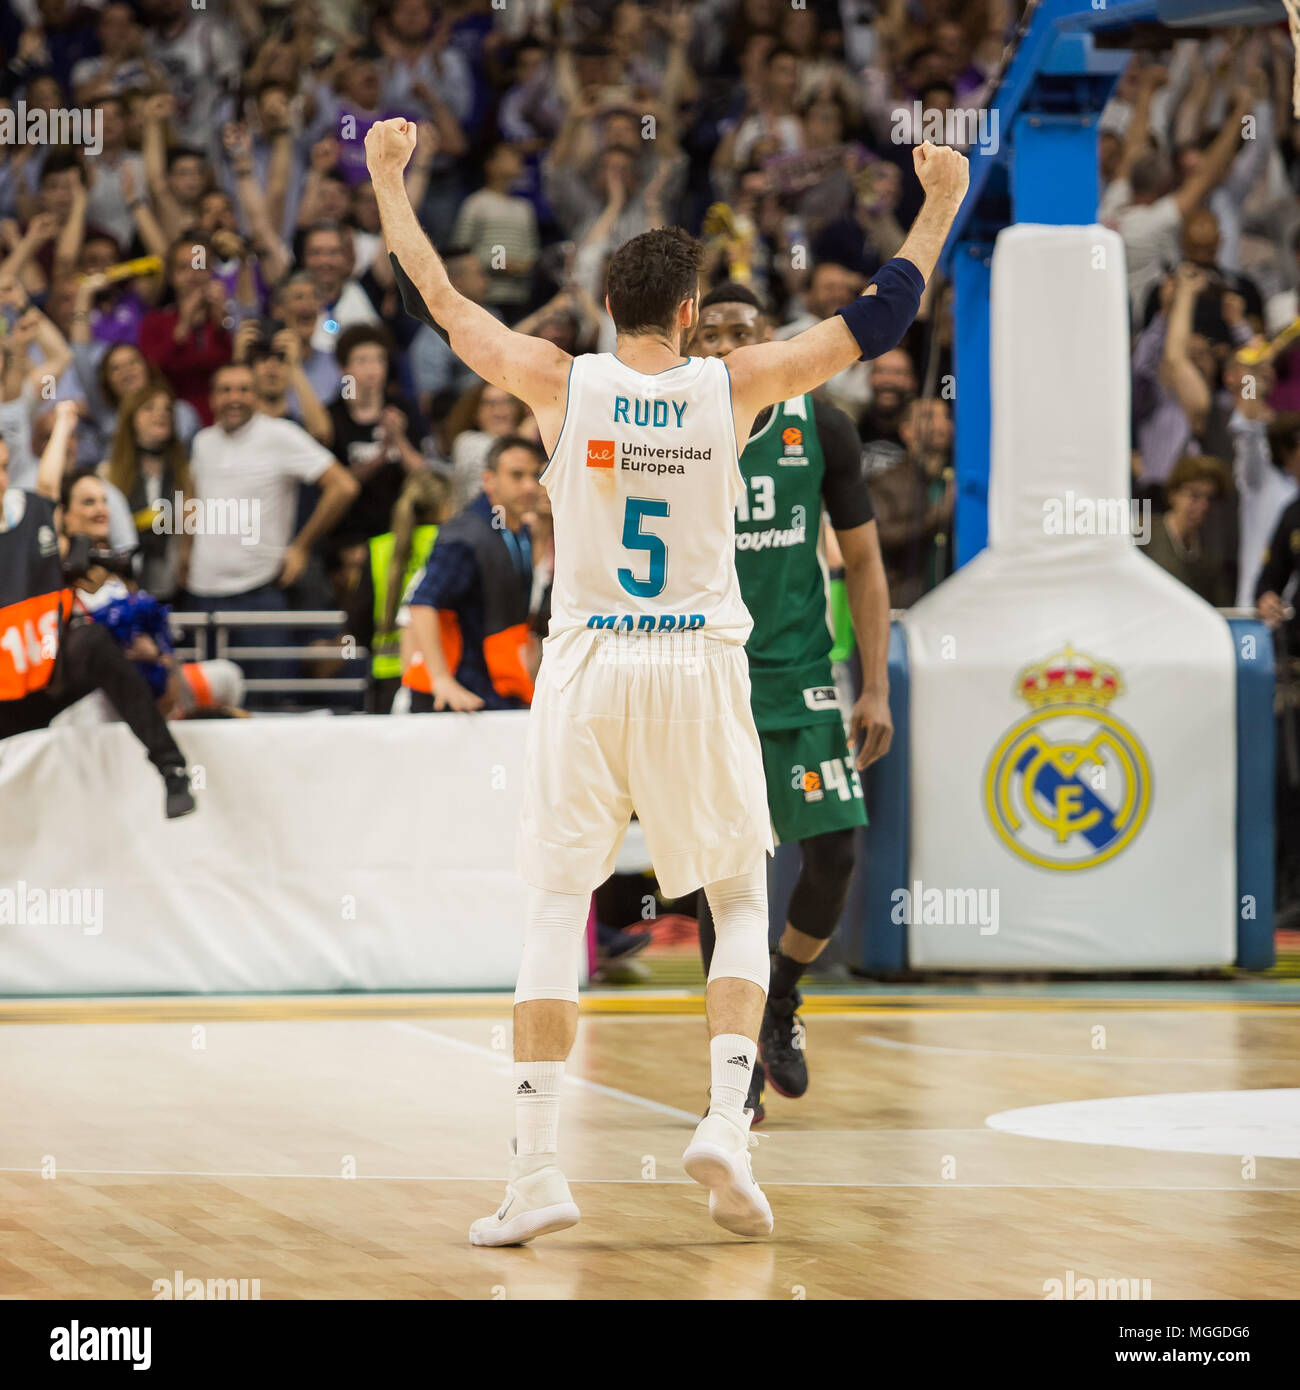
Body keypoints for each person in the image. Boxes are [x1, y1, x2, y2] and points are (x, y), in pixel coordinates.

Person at [368, 116, 966, 1245]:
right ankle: (726, 1130)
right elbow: (883, 314)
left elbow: (437, 296)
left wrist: (388, 178)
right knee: (740, 896)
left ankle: (537, 1169)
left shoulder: (557, 379)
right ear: (690, 315)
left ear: (606, 308)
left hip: (587, 662)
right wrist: (938, 198)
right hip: (698, 661)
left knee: (554, 905)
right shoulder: (736, 385)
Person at [689, 282, 894, 1123]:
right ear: (690, 345)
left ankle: (781, 999)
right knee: (723, 879)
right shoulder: (669, 429)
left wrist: (874, 682)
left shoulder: (824, 427)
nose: (731, 343)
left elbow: (869, 566)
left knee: (836, 855)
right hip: (708, 682)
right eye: (712, 333)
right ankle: (732, 1073)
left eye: (745, 329)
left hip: (804, 677)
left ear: (771, 338)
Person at [0, 401, 194, 818]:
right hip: (3, 695)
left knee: (92, 641)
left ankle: (171, 767)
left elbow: (50, 483)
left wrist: (66, 420)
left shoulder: (31, 512)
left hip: (46, 675)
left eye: (2, 467)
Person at [398, 435, 541, 714]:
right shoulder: (465, 536)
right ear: (488, 480)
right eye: (517, 475)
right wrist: (441, 680)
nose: (529, 486)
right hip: (457, 699)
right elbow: (422, 602)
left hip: (496, 689)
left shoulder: (517, 531)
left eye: (535, 475)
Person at [1140, 454, 1234, 604]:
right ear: (1173, 494)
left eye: (1209, 498)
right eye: (1194, 496)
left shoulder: (1209, 557)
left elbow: (1221, 609)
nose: (1203, 506)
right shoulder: (1142, 532)